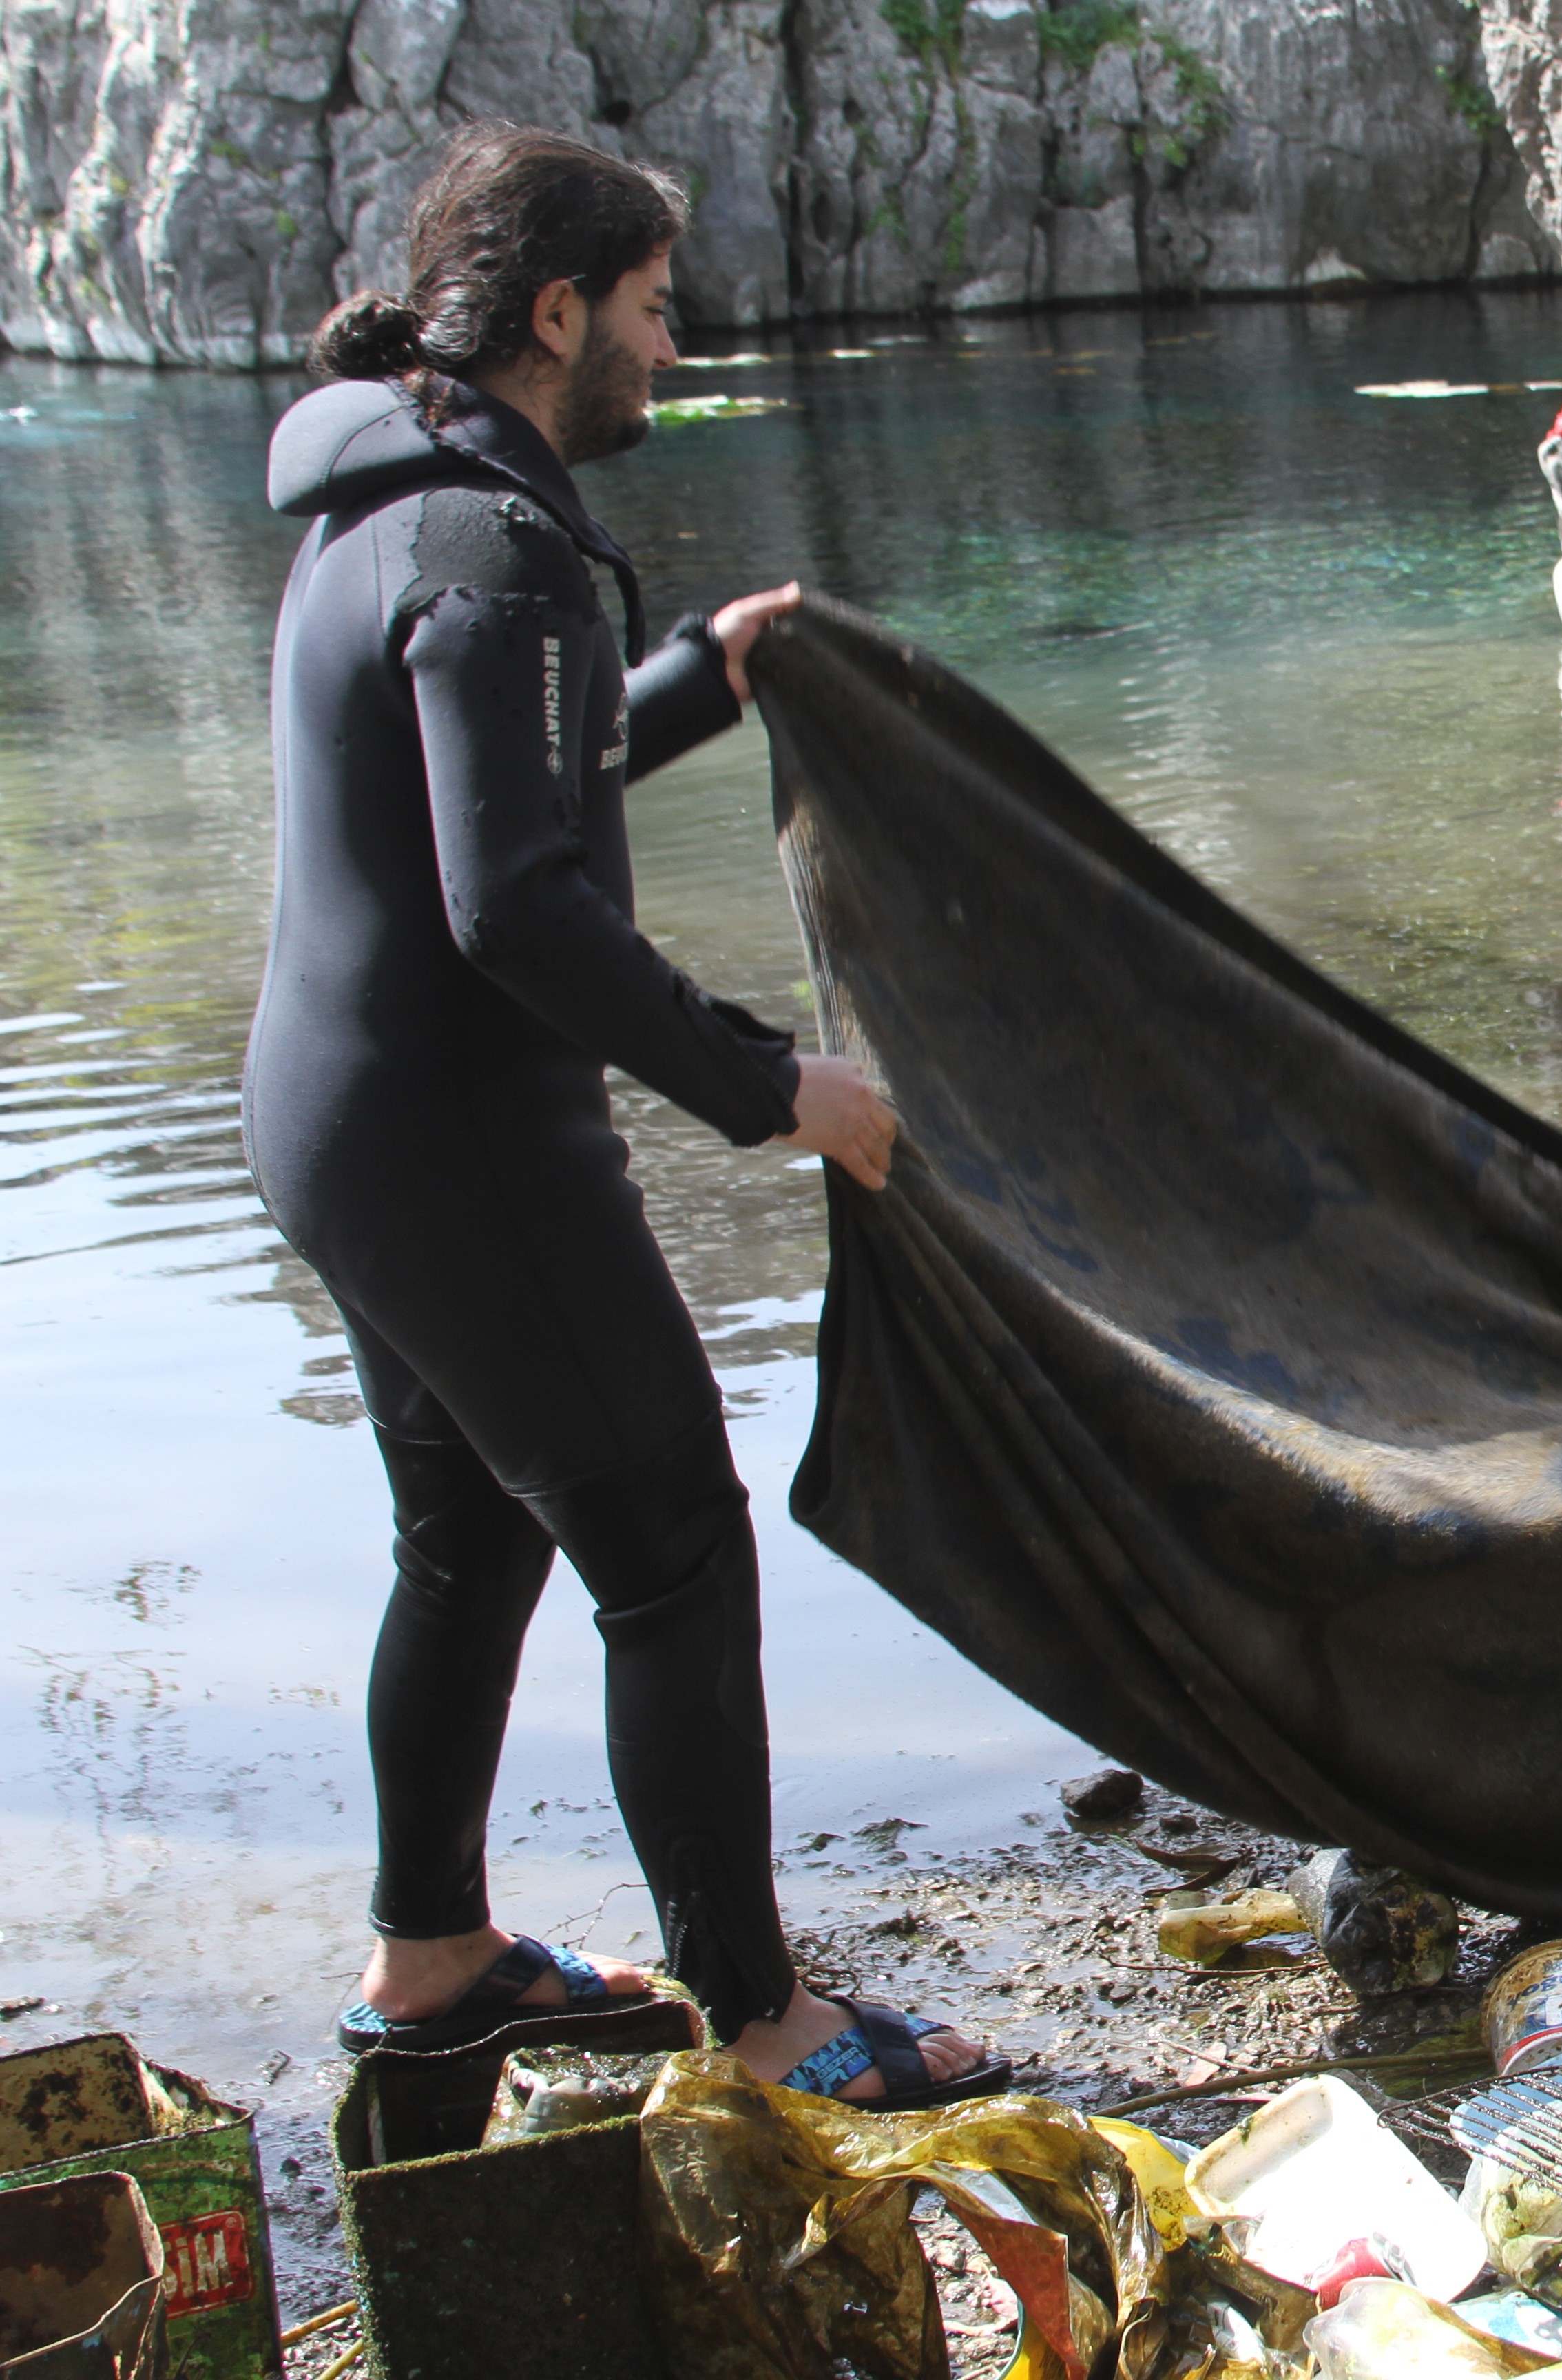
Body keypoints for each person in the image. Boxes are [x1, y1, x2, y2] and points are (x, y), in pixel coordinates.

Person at [252, 123, 999, 2105]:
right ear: (559, 311)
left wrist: (700, 677)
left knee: (471, 1538)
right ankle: (762, 2020)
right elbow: (515, 905)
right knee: (672, 1545)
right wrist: (780, 1089)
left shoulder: (390, 497)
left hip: (336, 1119)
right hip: (459, 1135)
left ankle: (434, 1960)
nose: (669, 350)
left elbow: (491, 797)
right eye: (654, 311)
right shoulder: (491, 543)